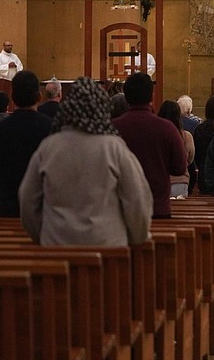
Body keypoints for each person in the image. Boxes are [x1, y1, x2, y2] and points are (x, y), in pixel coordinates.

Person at [18, 76, 153, 246]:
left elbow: (27, 199)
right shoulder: (115, 148)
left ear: (68, 108)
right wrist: (137, 237)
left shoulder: (48, 147)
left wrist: (42, 236)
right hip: (107, 247)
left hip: (57, 247)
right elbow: (136, 199)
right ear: (102, 108)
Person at [113, 73, 187, 218]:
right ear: (151, 96)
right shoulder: (166, 128)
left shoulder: (112, 128)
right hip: (157, 208)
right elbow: (179, 168)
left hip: (122, 211)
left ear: (126, 96)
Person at [0, 71, 56, 217]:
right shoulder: (52, 128)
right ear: (39, 96)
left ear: (13, 97)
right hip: (42, 210)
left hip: (8, 205)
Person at [158, 100, 195, 199]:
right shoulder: (186, 136)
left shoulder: (156, 135)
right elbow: (190, 158)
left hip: (159, 180)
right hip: (180, 181)